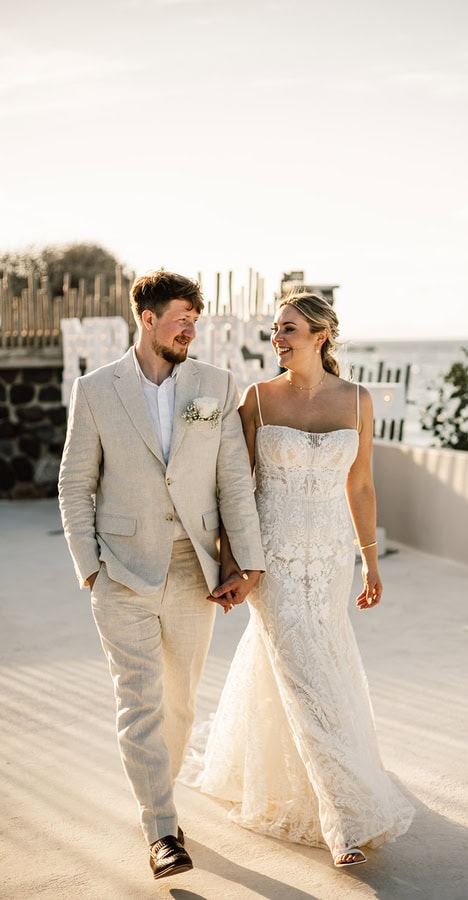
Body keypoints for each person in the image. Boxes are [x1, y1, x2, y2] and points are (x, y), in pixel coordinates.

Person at [180, 291, 415, 868]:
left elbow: (361, 485)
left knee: (321, 663)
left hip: (331, 558)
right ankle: (345, 819)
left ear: (320, 335)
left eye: (288, 329)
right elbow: (235, 485)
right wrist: (233, 560)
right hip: (275, 558)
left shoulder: (358, 400)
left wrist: (370, 561)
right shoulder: (257, 399)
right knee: (303, 671)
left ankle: (283, 773)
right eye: (274, 330)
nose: (277, 339)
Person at [58, 270, 265, 880]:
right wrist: (90, 569)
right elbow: (74, 483)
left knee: (179, 706)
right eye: (181, 319)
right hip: (121, 571)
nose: (190, 330)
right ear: (147, 319)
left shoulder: (216, 385)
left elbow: (233, 480)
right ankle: (162, 830)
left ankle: (159, 799)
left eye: (195, 321)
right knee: (140, 702)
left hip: (194, 568)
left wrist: (246, 560)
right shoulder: (96, 389)